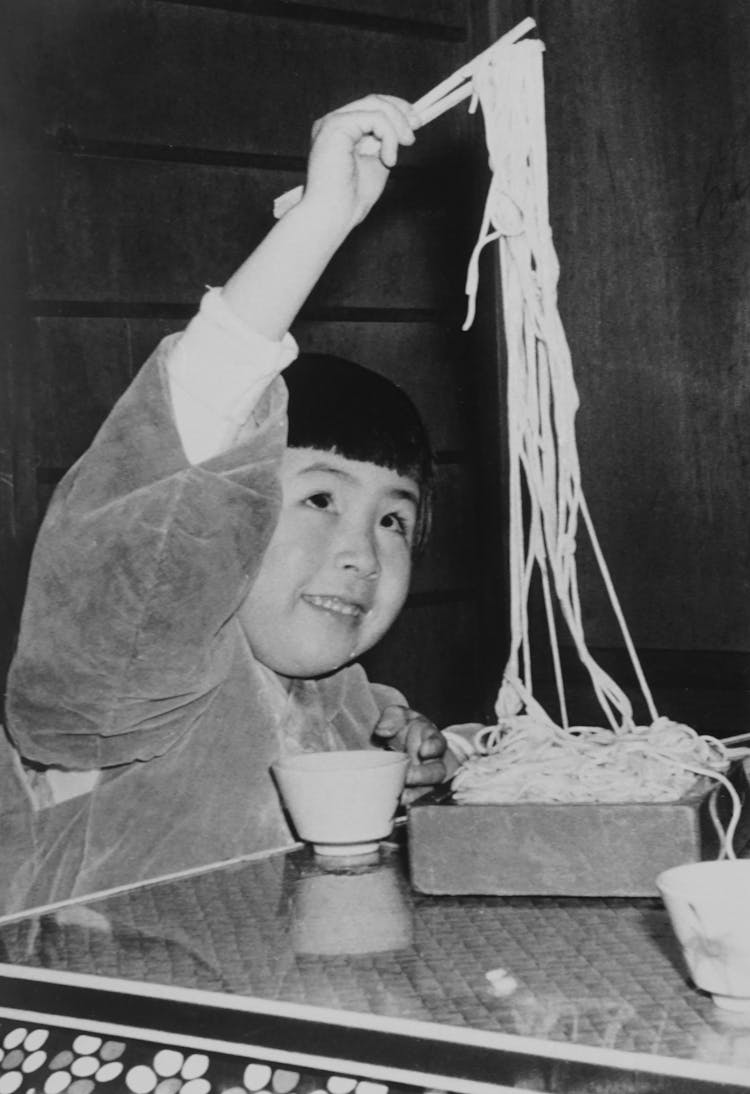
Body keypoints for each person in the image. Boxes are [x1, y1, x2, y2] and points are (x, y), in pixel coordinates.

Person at [0, 94, 474, 910]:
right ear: (226, 519)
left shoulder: (348, 699)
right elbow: (176, 472)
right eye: (321, 498)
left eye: (394, 519)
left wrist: (426, 767)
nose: (364, 550)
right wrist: (319, 224)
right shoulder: (128, 668)